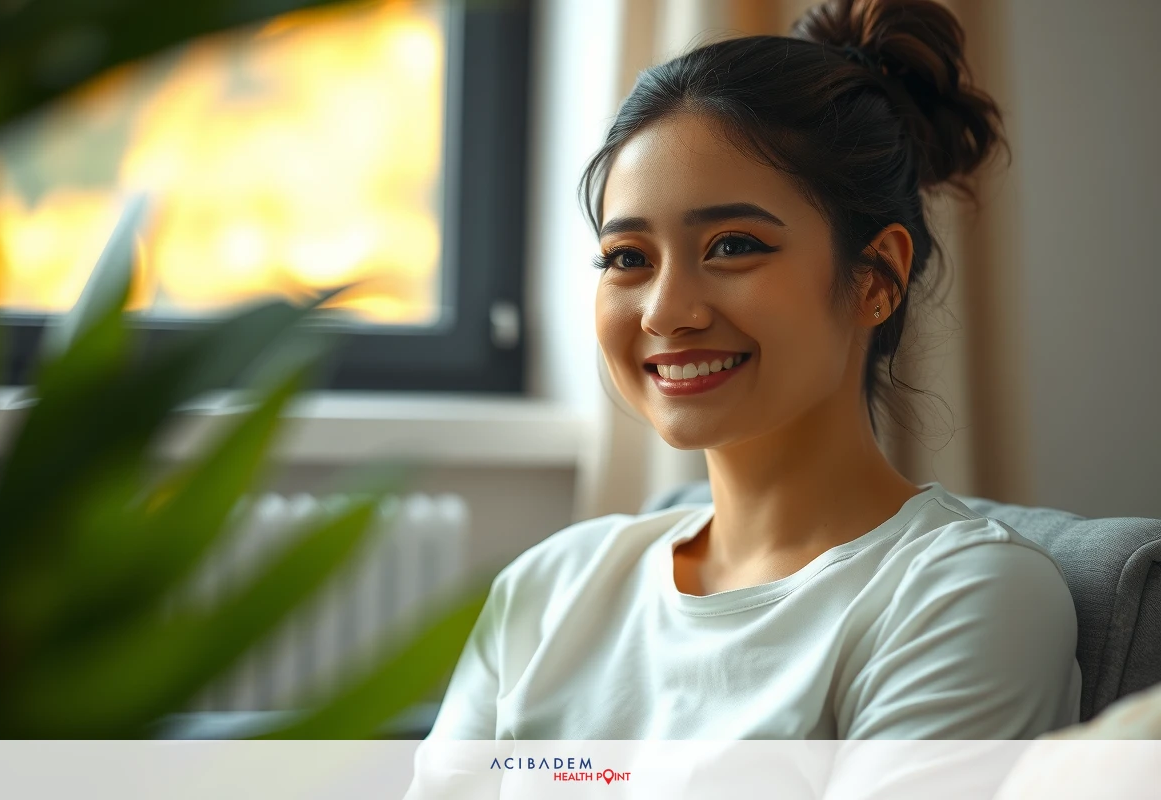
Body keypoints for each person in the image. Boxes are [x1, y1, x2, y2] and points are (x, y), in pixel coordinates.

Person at [425, 0, 1081, 741]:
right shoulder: (548, 589)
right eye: (628, 259)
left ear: (875, 278)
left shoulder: (962, 598)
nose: (665, 312)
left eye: (733, 246)